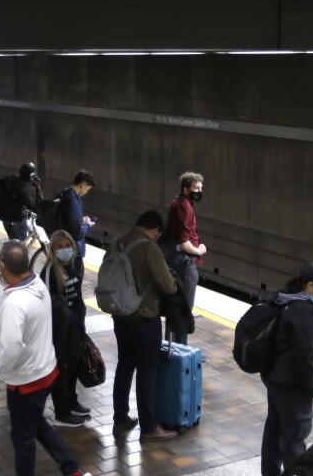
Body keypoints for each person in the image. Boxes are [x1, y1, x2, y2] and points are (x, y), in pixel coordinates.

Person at [0, 240, 94, 476]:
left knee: (22, 437)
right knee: (36, 425)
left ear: (2, 266)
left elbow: (11, 348)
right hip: (44, 369)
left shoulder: (14, 303)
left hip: (26, 379)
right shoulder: (37, 286)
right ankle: (72, 472)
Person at [259, 262, 313, 476]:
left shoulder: (285, 299)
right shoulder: (303, 311)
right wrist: (309, 387)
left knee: (275, 426)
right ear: (310, 286)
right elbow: (305, 354)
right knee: (295, 436)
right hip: (293, 383)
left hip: (275, 377)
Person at [112, 209, 179, 442]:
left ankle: (120, 416)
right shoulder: (150, 248)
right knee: (146, 373)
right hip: (144, 319)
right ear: (154, 230)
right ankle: (150, 427)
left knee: (124, 366)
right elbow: (168, 286)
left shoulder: (119, 242)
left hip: (120, 317)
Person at [41, 229, 90, 426]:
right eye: (60, 247)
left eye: (68, 245)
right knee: (62, 366)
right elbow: (46, 302)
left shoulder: (75, 264)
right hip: (59, 327)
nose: (65, 249)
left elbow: (77, 295)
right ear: (53, 249)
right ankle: (61, 412)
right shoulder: (49, 270)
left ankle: (72, 400)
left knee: (75, 362)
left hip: (76, 323)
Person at [163, 171, 207, 344]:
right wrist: (199, 250)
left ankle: (171, 346)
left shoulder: (180, 202)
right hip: (183, 264)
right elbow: (183, 243)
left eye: (201, 188)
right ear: (185, 188)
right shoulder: (184, 207)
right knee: (184, 310)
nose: (199, 191)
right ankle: (180, 350)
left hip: (176, 261)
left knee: (175, 307)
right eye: (196, 188)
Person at [56, 170, 96, 257]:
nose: (86, 192)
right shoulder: (72, 201)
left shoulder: (64, 193)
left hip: (62, 244)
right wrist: (88, 225)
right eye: (87, 189)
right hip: (72, 250)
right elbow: (76, 232)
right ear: (83, 185)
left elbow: (68, 220)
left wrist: (81, 220)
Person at [0, 162, 42, 241]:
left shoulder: (14, 179)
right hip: (16, 222)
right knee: (19, 250)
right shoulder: (20, 189)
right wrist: (38, 187)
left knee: (14, 246)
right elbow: (37, 208)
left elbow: (18, 202)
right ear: (31, 176)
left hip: (7, 219)